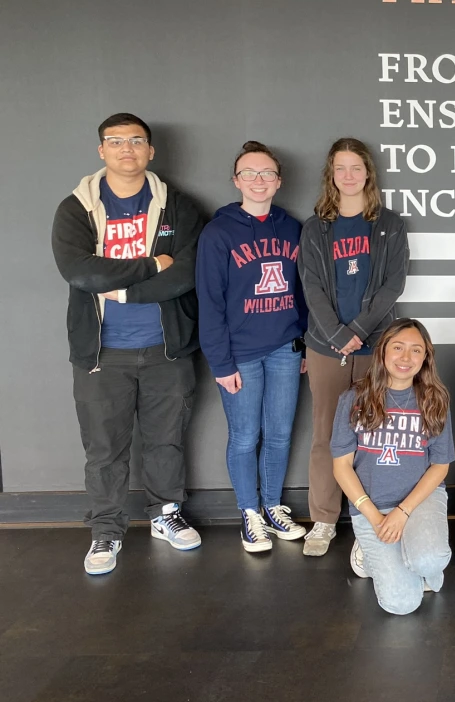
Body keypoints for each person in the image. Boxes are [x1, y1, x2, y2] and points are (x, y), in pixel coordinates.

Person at [51, 112, 206, 575]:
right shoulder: (76, 208)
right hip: (101, 353)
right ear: (101, 150)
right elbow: (81, 272)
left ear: (150, 150)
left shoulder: (177, 206)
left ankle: (166, 515)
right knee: (104, 450)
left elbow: (186, 272)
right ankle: (106, 531)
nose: (126, 149)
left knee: (166, 442)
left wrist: (125, 287)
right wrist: (149, 265)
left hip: (166, 348)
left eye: (136, 141)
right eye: (115, 141)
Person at [298, 138, 409, 557]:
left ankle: (370, 522)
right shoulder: (315, 227)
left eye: (356, 168)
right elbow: (311, 286)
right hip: (326, 347)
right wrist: (338, 335)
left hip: (376, 345)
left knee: (374, 433)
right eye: (340, 168)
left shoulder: (390, 224)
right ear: (331, 174)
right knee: (326, 435)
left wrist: (359, 330)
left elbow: (392, 284)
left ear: (368, 174)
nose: (349, 176)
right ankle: (324, 520)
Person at [196, 141, 308, 553]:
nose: (258, 181)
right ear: (236, 180)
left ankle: (274, 505)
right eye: (249, 173)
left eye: (266, 174)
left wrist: (306, 343)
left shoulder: (293, 228)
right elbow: (209, 302)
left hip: (285, 347)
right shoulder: (219, 232)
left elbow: (305, 292)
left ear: (279, 182)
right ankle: (250, 513)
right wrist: (220, 362)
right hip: (239, 353)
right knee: (245, 436)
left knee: (279, 434)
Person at [331, 319, 454, 615]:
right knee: (402, 604)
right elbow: (341, 467)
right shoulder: (354, 399)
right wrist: (375, 518)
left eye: (416, 350)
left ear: (425, 358)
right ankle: (369, 548)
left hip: (419, 500)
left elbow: (440, 465)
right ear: (383, 351)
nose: (406, 358)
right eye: (398, 348)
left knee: (430, 563)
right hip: (371, 505)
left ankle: (416, 552)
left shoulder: (434, 400)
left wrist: (402, 512)